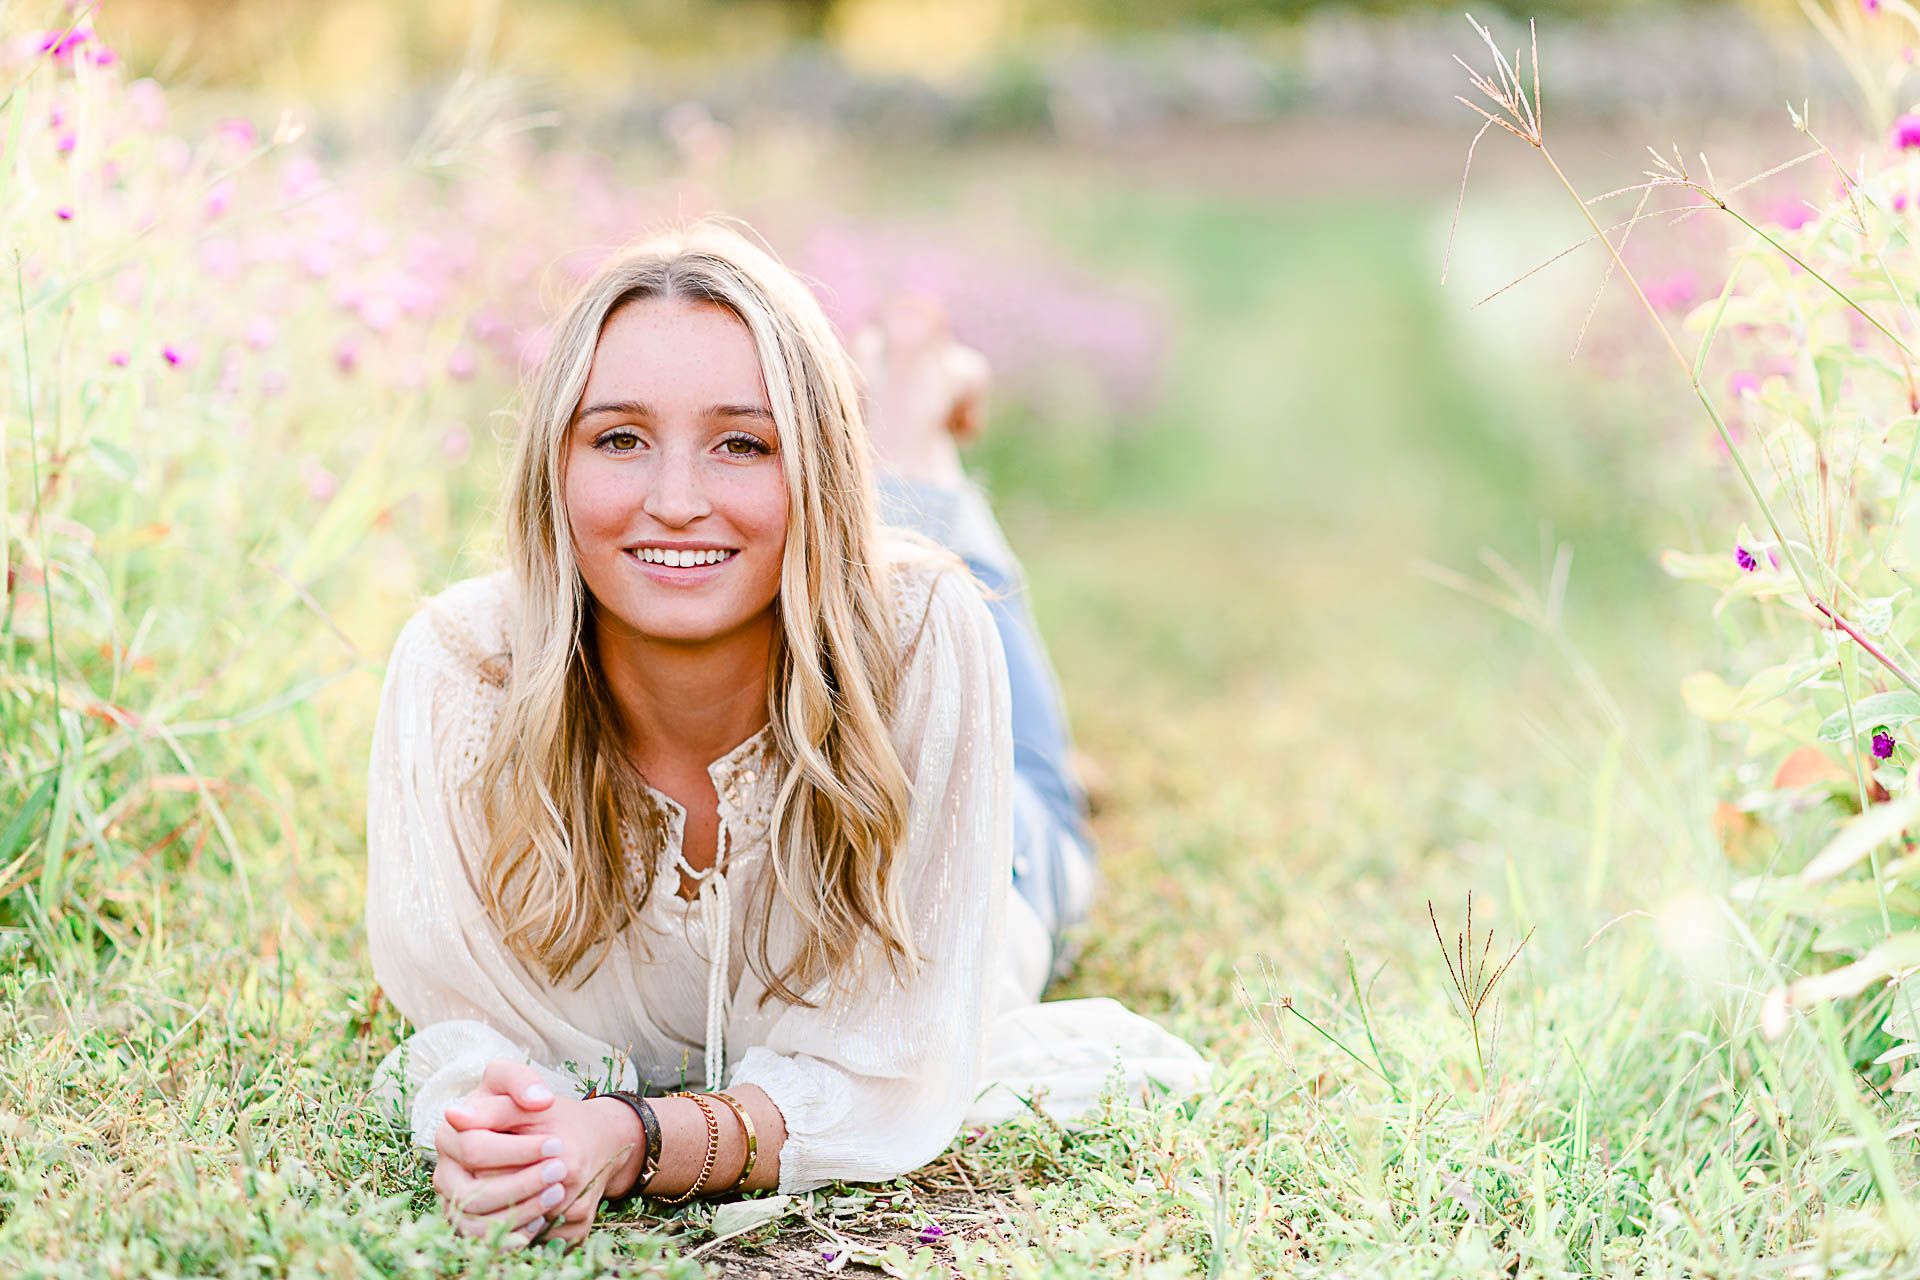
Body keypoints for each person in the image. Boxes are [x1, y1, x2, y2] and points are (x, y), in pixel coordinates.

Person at [365, 221, 1209, 1247]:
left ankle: (912, 422)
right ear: (555, 462)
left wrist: (631, 1139)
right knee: (852, 555)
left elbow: (894, 1077)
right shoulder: (460, 667)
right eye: (620, 437)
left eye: (744, 441)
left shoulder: (925, 635)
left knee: (1021, 754)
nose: (674, 501)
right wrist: (500, 1130)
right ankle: (899, 430)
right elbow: (463, 1032)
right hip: (821, 582)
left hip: (997, 855)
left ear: (810, 462)